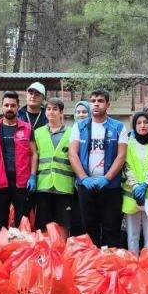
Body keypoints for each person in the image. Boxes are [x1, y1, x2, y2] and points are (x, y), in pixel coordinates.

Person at [68, 88, 128, 247]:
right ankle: (91, 265)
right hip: (86, 186)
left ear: (107, 104)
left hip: (110, 187)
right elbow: (73, 154)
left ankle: (110, 265)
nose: (96, 104)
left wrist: (107, 178)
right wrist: (83, 178)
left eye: (100, 101)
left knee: (111, 227)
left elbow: (121, 155)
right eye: (93, 101)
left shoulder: (118, 127)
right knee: (88, 227)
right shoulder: (79, 127)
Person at [0, 91, 33, 235]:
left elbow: (33, 154)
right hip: (0, 184)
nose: (9, 108)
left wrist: (33, 176)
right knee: (0, 223)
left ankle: (21, 256)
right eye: (6, 105)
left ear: (18, 107)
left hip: (21, 184)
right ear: (2, 107)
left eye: (13, 105)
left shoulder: (27, 128)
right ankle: (1, 255)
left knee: (22, 223)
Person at [31, 97, 75, 236]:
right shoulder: (37, 133)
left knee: (64, 224)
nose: (51, 112)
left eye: (55, 109)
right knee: (43, 225)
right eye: (49, 109)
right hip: (43, 186)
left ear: (61, 112)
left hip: (64, 187)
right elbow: (33, 156)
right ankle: (46, 256)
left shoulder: (72, 133)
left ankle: (62, 255)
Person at [121, 111, 148, 253]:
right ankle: (133, 264)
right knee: (132, 235)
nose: (142, 126)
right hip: (132, 197)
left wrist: (145, 184)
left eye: (145, 122)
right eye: (139, 123)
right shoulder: (128, 146)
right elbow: (126, 168)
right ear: (134, 126)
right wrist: (136, 186)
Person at [70, 100, 90, 235]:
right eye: (78, 112)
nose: (81, 115)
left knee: (87, 218)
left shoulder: (94, 131)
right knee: (74, 218)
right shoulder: (70, 131)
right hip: (71, 183)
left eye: (84, 112)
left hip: (89, 182)